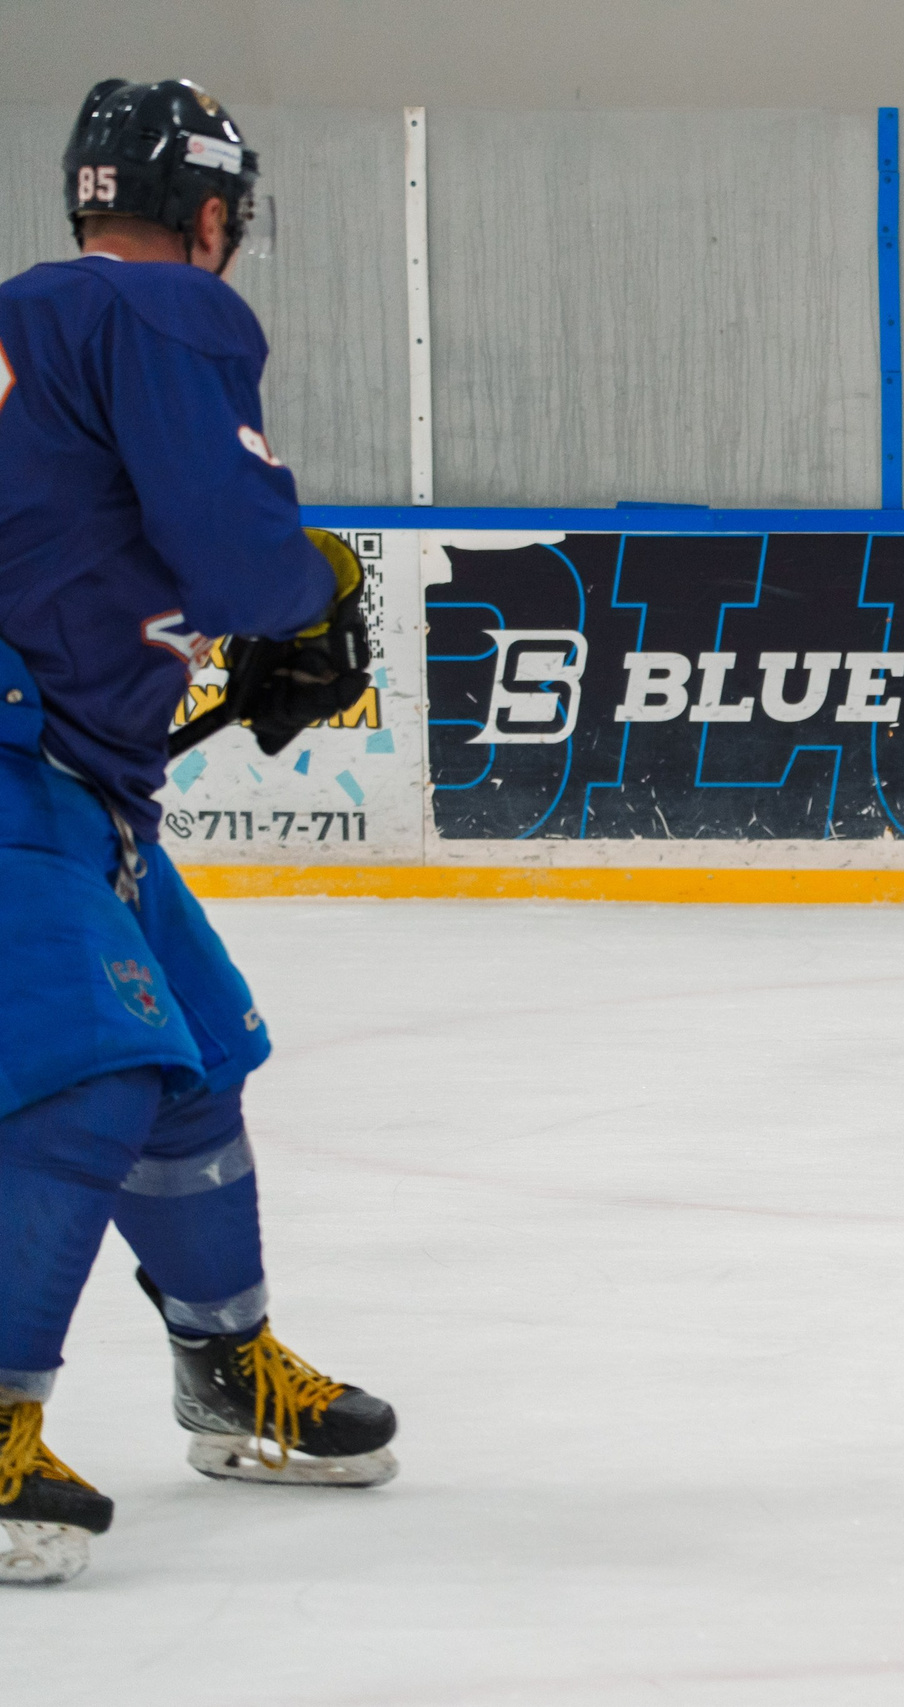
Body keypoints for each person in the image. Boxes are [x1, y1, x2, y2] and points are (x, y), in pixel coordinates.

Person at [0, 79, 393, 1588]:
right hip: (19, 763)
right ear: (213, 213)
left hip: (75, 771)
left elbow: (82, 535)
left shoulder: (36, 324)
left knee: (199, 1056)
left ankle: (223, 1368)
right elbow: (238, 558)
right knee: (92, 1071)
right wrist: (313, 596)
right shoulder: (168, 316)